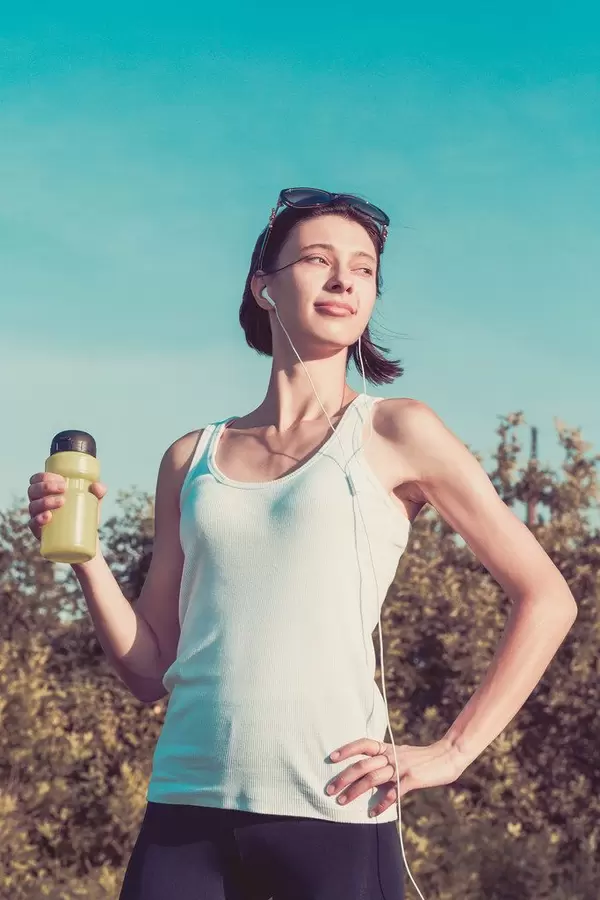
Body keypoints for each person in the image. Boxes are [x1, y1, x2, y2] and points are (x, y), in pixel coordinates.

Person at [27, 188, 577, 900]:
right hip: (185, 812)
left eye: (365, 269)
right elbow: (148, 671)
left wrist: (451, 751)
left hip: (334, 812)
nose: (345, 280)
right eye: (318, 260)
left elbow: (547, 598)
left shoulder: (396, 432)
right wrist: (85, 558)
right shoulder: (188, 459)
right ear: (263, 286)